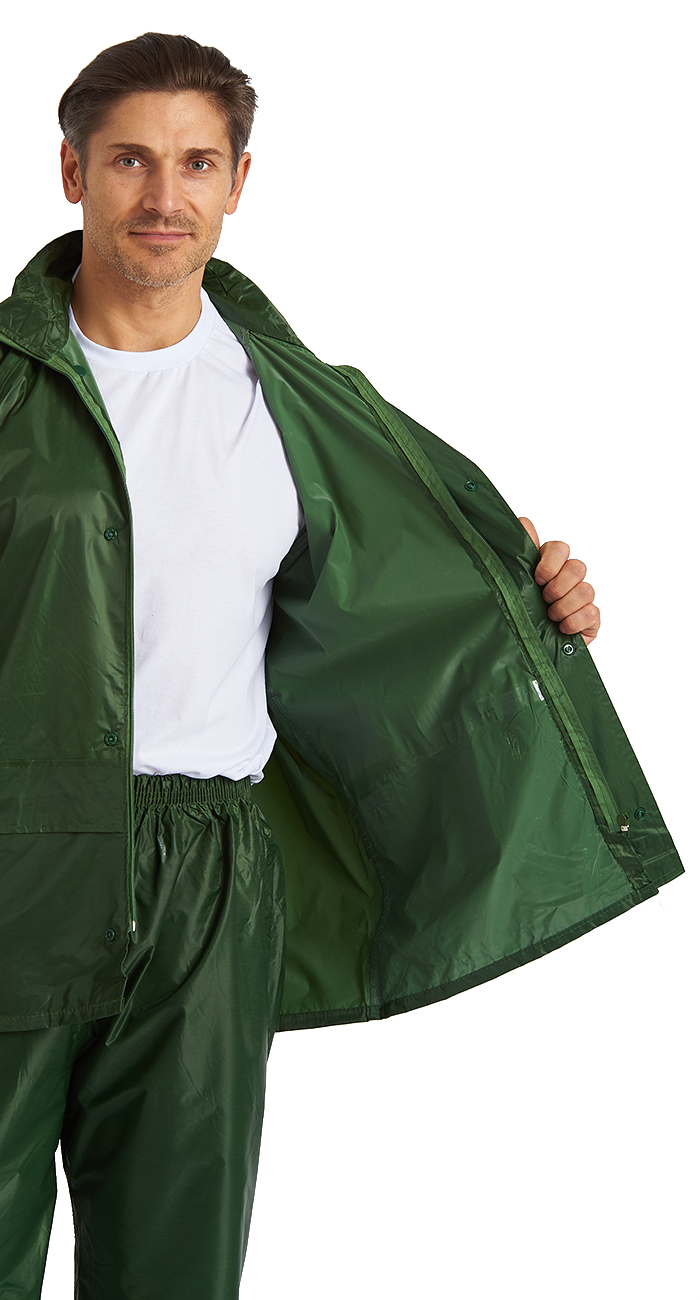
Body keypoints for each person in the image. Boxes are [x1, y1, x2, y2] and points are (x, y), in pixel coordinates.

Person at [0, 31, 683, 1300]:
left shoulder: (299, 399)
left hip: (212, 869)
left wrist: (536, 597)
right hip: (13, 847)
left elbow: (421, 590)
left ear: (237, 183)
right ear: (72, 172)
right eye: (131, 160)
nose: (164, 194)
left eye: (197, 162)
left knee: (177, 1263)